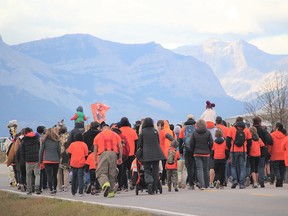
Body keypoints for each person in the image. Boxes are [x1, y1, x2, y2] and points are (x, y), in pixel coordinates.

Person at [93, 122, 123, 198]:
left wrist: (95, 160)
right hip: (114, 154)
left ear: (102, 129)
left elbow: (95, 149)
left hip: (103, 154)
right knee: (112, 173)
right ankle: (111, 193)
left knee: (100, 172)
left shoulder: (98, 136)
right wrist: (120, 157)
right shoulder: (115, 135)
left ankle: (105, 184)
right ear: (109, 128)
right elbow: (120, 146)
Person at [137, 117, 166, 195]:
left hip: (146, 154)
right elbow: (158, 142)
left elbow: (139, 144)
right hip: (157, 153)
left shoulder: (142, 132)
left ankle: (149, 182)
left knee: (147, 170)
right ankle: (154, 187)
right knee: (155, 171)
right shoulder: (155, 131)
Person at [226, 117, 252, 189]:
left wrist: (229, 148)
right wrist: (248, 150)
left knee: (233, 166)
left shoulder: (231, 129)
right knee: (242, 167)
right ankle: (241, 183)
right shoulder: (246, 130)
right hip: (243, 150)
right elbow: (250, 141)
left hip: (233, 150)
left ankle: (235, 180)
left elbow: (228, 140)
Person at [190, 119, 213, 190]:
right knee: (206, 169)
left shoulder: (194, 133)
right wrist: (209, 149)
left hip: (197, 153)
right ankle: (207, 184)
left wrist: (193, 150)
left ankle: (202, 185)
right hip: (206, 153)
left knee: (199, 169)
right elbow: (211, 142)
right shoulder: (208, 132)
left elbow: (191, 143)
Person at [252, 116, 273, 187]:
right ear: (260, 122)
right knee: (261, 166)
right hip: (262, 150)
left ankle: (254, 181)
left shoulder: (250, 130)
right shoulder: (263, 130)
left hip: (252, 151)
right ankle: (261, 181)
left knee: (253, 166)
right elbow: (270, 140)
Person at [39, 128, 61, 195]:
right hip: (55, 160)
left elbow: (41, 151)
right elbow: (59, 152)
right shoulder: (57, 141)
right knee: (55, 175)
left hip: (47, 160)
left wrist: (40, 161)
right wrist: (59, 159)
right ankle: (55, 188)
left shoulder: (44, 141)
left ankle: (51, 189)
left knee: (49, 175)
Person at [20, 127, 41, 195]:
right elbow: (39, 148)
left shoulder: (24, 140)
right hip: (36, 159)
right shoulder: (37, 138)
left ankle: (29, 190)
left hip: (28, 160)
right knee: (37, 174)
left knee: (28, 175)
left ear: (26, 132)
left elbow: (22, 151)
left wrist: (25, 158)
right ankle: (37, 188)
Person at [178, 114, 197, 190]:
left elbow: (180, 141)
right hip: (195, 149)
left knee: (189, 166)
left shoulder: (183, 129)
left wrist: (180, 151)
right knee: (195, 165)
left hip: (187, 149)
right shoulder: (196, 128)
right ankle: (196, 180)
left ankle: (191, 183)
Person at [119, 117, 138, 190]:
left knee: (123, 170)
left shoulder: (120, 131)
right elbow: (136, 142)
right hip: (132, 153)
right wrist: (135, 151)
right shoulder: (132, 131)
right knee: (132, 169)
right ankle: (132, 182)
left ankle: (125, 185)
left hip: (123, 153)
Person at [268, 123, 286, 187]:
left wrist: (269, 152)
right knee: (282, 169)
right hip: (283, 154)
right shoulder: (284, 136)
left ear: (277, 128)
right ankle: (280, 182)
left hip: (275, 154)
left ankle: (278, 178)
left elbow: (270, 145)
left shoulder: (271, 135)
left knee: (276, 168)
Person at [57, 126, 70, 192]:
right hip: (66, 154)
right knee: (66, 171)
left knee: (59, 172)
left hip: (58, 154)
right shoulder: (68, 136)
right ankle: (66, 186)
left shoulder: (57, 137)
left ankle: (59, 187)